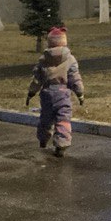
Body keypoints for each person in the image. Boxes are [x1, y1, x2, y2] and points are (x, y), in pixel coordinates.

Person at [26, 25, 85, 157]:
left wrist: (31, 93)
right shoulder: (70, 59)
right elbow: (75, 78)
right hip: (63, 93)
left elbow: (37, 80)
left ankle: (43, 139)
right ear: (64, 41)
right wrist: (80, 93)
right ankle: (61, 145)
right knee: (63, 118)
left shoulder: (43, 60)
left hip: (47, 93)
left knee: (45, 118)